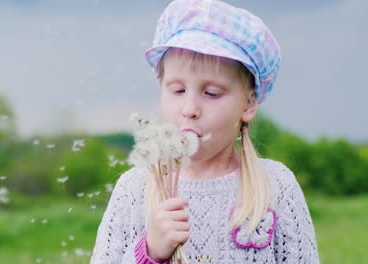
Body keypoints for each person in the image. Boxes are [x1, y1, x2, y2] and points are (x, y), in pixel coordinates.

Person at [90, 0, 320, 263]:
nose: (190, 108)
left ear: (248, 104)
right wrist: (150, 251)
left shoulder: (276, 187)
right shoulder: (135, 190)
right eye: (177, 90)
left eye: (211, 93)